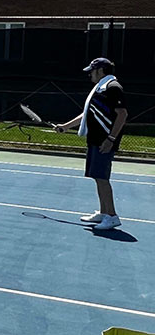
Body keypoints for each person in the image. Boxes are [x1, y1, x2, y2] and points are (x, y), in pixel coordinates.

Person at [55, 57, 127, 230]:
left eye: (92, 71)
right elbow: (88, 113)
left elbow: (122, 114)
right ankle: (103, 212)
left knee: (103, 178)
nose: (90, 75)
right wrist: (65, 127)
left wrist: (110, 139)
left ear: (100, 71)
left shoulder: (113, 88)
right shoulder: (100, 88)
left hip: (104, 142)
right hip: (95, 140)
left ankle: (112, 216)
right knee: (97, 177)